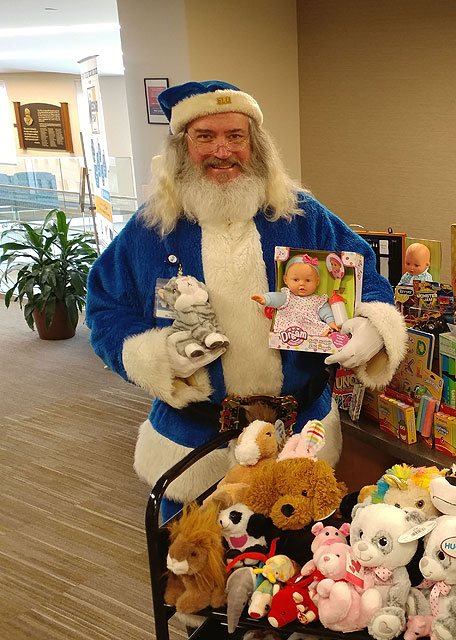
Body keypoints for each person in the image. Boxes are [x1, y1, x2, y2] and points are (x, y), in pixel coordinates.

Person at [85, 81, 406, 517]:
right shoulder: (149, 230)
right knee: (195, 570)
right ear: (182, 147)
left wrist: (372, 323)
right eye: (205, 137)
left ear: (255, 144)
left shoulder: (302, 214)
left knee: (298, 570)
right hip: (195, 443)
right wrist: (154, 357)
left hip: (299, 435)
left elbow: (365, 272)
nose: (223, 150)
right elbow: (106, 308)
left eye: (235, 136)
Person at [251, 254, 337, 336]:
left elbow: (325, 312)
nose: (302, 284)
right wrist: (266, 299)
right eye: (296, 280)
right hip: (290, 327)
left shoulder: (318, 300)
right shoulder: (287, 296)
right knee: (289, 331)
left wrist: (331, 322)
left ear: (317, 281)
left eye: (307, 280)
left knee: (324, 329)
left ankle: (323, 336)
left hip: (311, 326)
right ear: (285, 279)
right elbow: (276, 298)